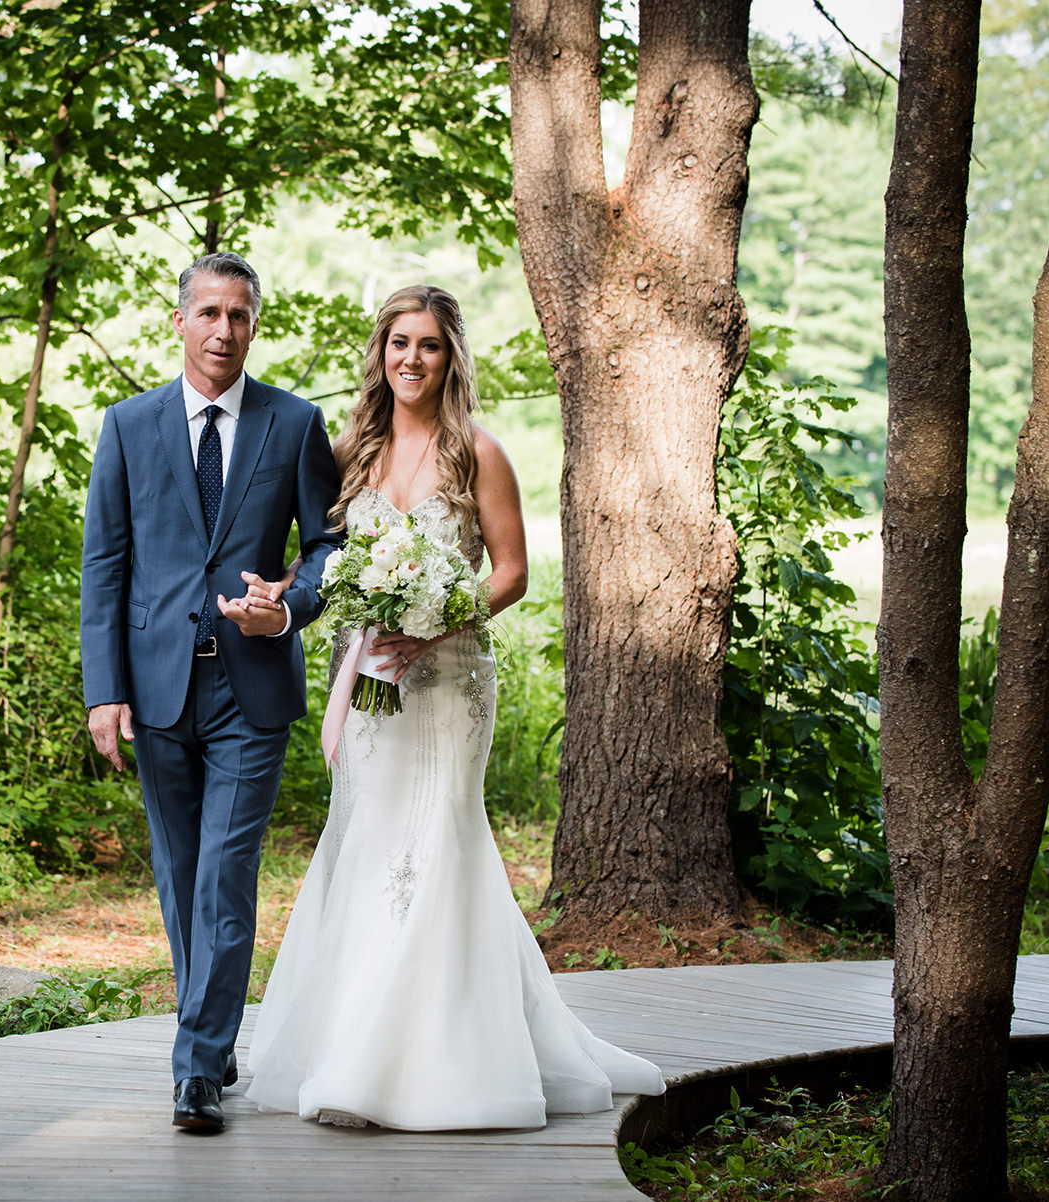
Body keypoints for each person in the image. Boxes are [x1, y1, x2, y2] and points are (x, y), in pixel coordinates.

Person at [240, 285, 666, 1130]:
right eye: (399, 342)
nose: (411, 359)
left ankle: (417, 1068)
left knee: (436, 846)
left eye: (429, 345)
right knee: (367, 844)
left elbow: (510, 573)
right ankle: (355, 1045)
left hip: (451, 684)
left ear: (449, 357)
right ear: (381, 352)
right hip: (368, 680)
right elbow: (325, 556)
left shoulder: (479, 454)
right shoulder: (350, 452)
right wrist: (287, 588)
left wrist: (438, 625)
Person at [79, 252, 343, 1135]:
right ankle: (215, 1030)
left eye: (239, 315)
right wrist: (103, 691)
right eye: (209, 314)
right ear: (181, 320)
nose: (223, 330)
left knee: (225, 875)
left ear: (254, 325)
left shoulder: (295, 423)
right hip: (154, 692)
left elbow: (332, 546)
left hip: (252, 690)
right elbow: (106, 568)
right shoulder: (126, 426)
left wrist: (291, 607)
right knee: (178, 872)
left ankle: (195, 1069)